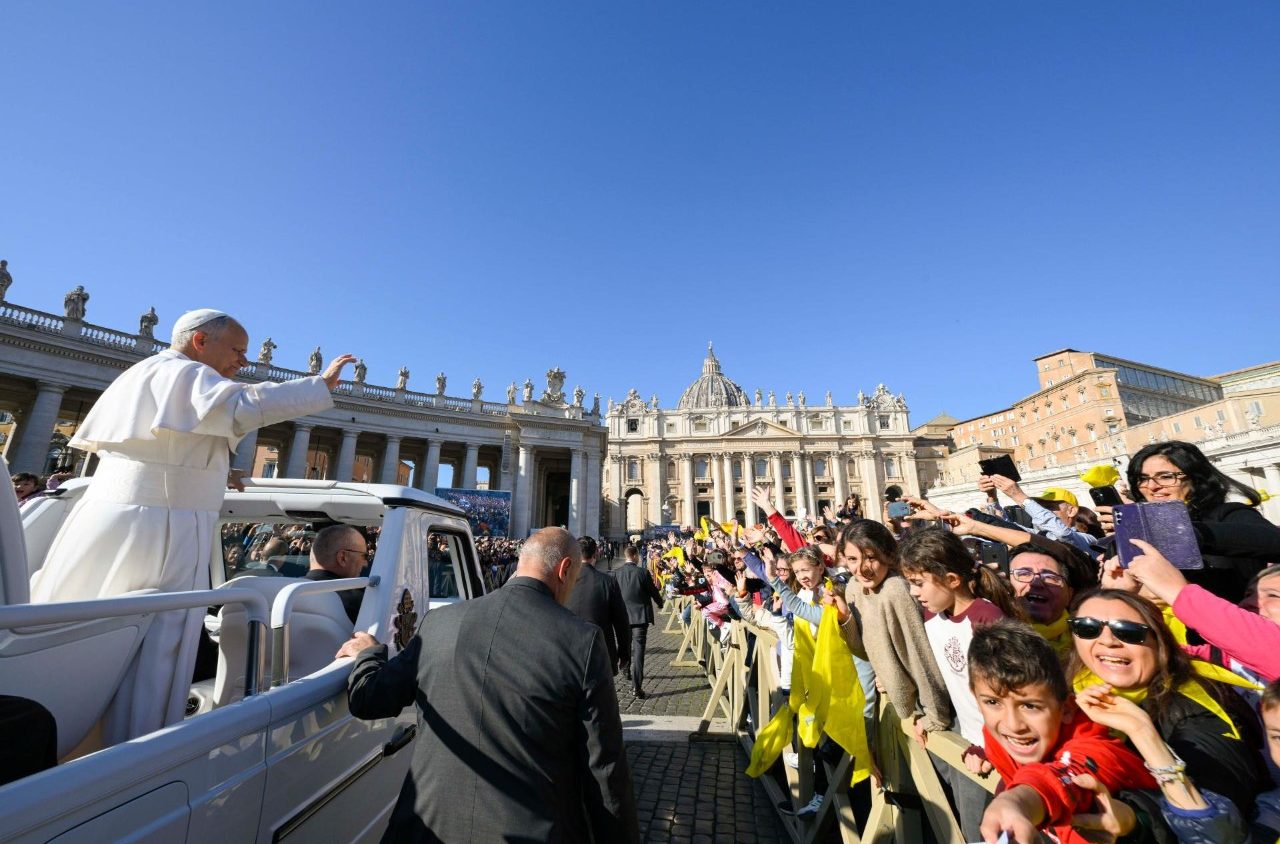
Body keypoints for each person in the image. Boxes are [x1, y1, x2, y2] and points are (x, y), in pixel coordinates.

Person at [29, 308, 353, 744]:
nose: (243, 362)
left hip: (133, 523)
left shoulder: (155, 375)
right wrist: (319, 386)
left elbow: (165, 453)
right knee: (155, 643)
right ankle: (135, 751)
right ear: (201, 341)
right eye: (237, 350)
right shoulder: (182, 374)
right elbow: (243, 404)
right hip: (160, 531)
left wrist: (218, 473)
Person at [340, 528, 640, 843]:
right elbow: (604, 769)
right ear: (565, 570)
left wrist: (369, 655)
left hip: (424, 830)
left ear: (521, 562)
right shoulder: (583, 640)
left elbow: (368, 699)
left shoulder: (439, 623)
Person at [1068, 588, 1271, 822]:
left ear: (1160, 641)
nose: (1107, 641)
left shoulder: (1197, 708)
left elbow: (1221, 818)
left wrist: (1133, 817)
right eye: (1086, 628)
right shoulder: (1068, 688)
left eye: (1129, 632)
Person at [969, 620, 1157, 844]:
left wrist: (1015, 801)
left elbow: (1067, 774)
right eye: (992, 702)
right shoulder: (996, 738)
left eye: (1030, 706)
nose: (1013, 725)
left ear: (1066, 708)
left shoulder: (1097, 746)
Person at [1104, 440, 1280, 604]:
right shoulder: (1136, 531)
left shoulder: (1228, 514)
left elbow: (1272, 540)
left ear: (1195, 479)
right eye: (1143, 479)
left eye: (1165, 476)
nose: (1151, 486)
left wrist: (1188, 532)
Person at [563, 536, 631, 676]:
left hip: (565, 653)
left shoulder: (562, 580)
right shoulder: (608, 582)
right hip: (600, 652)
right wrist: (624, 654)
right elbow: (621, 622)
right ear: (596, 554)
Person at [612, 544, 665, 699]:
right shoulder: (642, 573)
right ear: (635, 555)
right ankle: (637, 686)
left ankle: (626, 669)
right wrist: (660, 602)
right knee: (639, 651)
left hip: (622, 617)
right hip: (640, 617)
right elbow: (653, 591)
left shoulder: (616, 574)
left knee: (625, 645)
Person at [305, 524, 369, 624]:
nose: (365, 563)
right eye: (363, 556)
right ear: (343, 557)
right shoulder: (361, 602)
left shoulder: (286, 593)